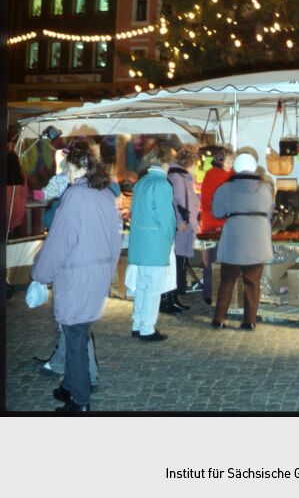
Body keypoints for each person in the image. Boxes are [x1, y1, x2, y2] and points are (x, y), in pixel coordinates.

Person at [30, 140, 122, 413]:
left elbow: (59, 242)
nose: (65, 174)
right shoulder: (105, 193)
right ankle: (70, 385)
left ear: (78, 168)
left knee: (75, 338)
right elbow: (115, 239)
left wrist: (39, 274)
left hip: (77, 275)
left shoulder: (74, 197)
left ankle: (80, 401)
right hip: (97, 274)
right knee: (78, 333)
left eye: (67, 168)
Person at [211, 152, 273, 330]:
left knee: (228, 279)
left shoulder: (225, 188)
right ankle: (250, 321)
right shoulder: (266, 187)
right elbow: (269, 212)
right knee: (252, 282)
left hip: (235, 237)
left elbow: (217, 212)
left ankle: (220, 318)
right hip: (258, 236)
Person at [127, 143, 176, 341]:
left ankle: (137, 324)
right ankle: (147, 328)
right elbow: (166, 217)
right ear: (165, 162)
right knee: (153, 288)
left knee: (141, 287)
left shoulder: (141, 182)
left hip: (139, 242)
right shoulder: (162, 184)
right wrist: (170, 237)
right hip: (155, 244)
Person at [160, 145, 200, 314]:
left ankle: (173, 297)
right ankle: (168, 299)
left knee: (179, 264)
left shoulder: (182, 177)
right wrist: (179, 221)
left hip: (184, 225)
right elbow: (174, 202)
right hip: (181, 227)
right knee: (176, 264)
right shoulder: (177, 178)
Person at [199, 147, 234, 304]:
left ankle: (223, 293)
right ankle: (209, 293)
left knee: (226, 261)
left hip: (228, 223)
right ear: (220, 161)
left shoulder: (233, 174)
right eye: (228, 161)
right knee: (212, 260)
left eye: (232, 161)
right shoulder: (211, 175)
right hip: (213, 224)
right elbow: (206, 201)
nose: (230, 164)